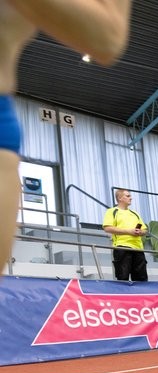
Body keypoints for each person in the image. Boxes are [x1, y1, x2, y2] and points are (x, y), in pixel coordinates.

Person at [0, 0, 133, 272]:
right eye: (126, 194)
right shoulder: (116, 213)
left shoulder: (130, 214)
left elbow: (107, 39)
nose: (128, 197)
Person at [103, 189, 148, 281]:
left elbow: (144, 230)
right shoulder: (112, 211)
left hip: (138, 248)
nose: (131, 198)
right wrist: (129, 231)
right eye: (127, 196)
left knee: (141, 278)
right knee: (123, 277)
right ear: (120, 198)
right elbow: (107, 228)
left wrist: (140, 232)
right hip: (122, 248)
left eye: (130, 196)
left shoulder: (135, 213)